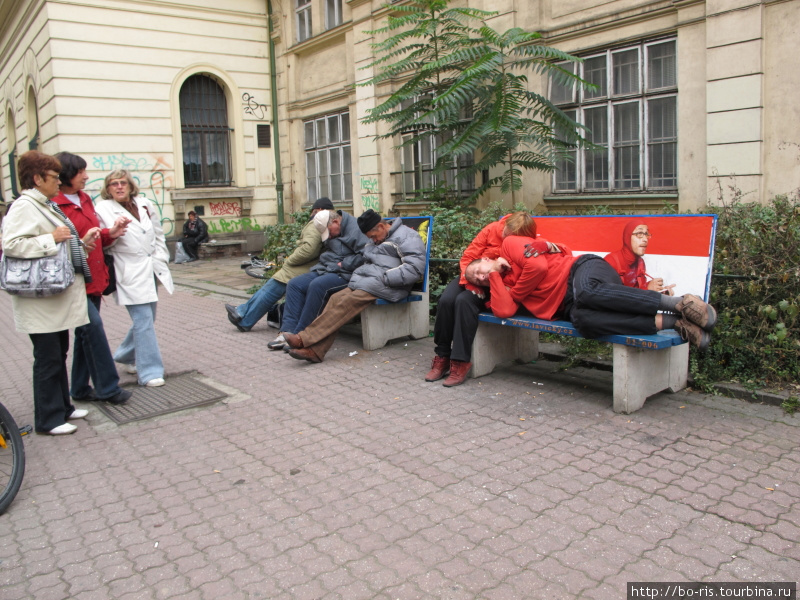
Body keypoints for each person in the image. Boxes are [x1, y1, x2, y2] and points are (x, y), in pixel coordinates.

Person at [465, 234, 718, 350]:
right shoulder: (500, 283)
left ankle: (680, 303)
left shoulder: (510, 245)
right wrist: (496, 276)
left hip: (582, 270)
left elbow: (539, 265)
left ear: (487, 258)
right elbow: (505, 309)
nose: (480, 276)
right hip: (570, 306)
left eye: (479, 268)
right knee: (583, 321)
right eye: (478, 280)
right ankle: (676, 324)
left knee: (587, 293)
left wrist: (516, 291)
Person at [1, 151, 96, 435]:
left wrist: (82, 244)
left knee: (59, 352)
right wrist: (50, 238)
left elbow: (59, 242)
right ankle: (49, 418)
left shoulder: (44, 204)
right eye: (54, 177)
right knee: (48, 357)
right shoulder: (24, 206)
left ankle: (63, 407)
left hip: (52, 295)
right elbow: (11, 245)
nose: (59, 181)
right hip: (39, 298)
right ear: (37, 178)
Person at [425, 212, 562, 387]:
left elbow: (532, 265)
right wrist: (470, 282)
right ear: (504, 226)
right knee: (446, 300)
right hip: (473, 275)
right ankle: (443, 355)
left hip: (497, 284)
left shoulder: (528, 241)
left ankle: (460, 361)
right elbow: (468, 257)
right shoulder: (491, 230)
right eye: (507, 234)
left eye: (514, 238)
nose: (508, 240)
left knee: (464, 302)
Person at [282, 209, 425, 363]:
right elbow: (367, 259)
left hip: (390, 285)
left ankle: (304, 338)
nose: (373, 241)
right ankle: (315, 351)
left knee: (346, 303)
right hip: (370, 282)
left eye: (373, 237)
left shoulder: (407, 237)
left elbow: (415, 268)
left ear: (381, 227)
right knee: (335, 298)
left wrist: (386, 278)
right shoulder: (377, 238)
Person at [53, 152, 132, 406]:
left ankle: (79, 387)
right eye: (80, 173)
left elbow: (94, 237)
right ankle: (108, 388)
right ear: (65, 175)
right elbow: (64, 243)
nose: (86, 176)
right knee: (93, 329)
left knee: (86, 334)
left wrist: (112, 233)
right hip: (74, 279)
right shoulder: (53, 204)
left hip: (94, 277)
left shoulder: (85, 198)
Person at [95, 170, 174, 387]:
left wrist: (161, 256)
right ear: (108, 188)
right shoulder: (102, 209)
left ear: (130, 186)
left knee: (149, 318)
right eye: (113, 184)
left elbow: (158, 234)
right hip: (126, 269)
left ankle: (124, 355)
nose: (119, 187)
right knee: (143, 320)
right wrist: (113, 232)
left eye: (122, 183)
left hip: (150, 268)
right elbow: (102, 242)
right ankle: (149, 372)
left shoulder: (145, 204)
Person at [225, 197, 334, 333]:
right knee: (269, 288)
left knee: (269, 291)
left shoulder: (316, 223)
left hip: (300, 269)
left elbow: (309, 249)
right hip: (307, 267)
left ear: (318, 210)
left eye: (313, 211)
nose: (312, 214)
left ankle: (244, 318)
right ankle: (242, 313)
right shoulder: (328, 222)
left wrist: (290, 260)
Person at [269, 208, 368, 350]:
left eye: (329, 232)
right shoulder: (334, 228)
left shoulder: (355, 229)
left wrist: (344, 264)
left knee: (317, 286)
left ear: (335, 221)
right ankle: (287, 332)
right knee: (294, 284)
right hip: (326, 268)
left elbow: (366, 255)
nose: (329, 237)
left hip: (346, 273)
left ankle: (301, 336)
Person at [604, 221, 674, 295]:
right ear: (627, 237)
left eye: (646, 234)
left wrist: (660, 292)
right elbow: (608, 297)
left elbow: (638, 291)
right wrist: (647, 288)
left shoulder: (640, 262)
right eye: (639, 234)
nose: (645, 239)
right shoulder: (611, 261)